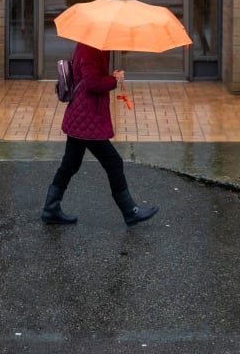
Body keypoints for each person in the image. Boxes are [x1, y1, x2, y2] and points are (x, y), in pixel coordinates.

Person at [41, 41, 158, 227]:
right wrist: (115, 80)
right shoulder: (89, 47)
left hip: (83, 116)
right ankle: (130, 211)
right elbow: (92, 83)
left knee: (70, 164)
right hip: (87, 118)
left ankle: (50, 208)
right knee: (113, 162)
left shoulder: (94, 45)